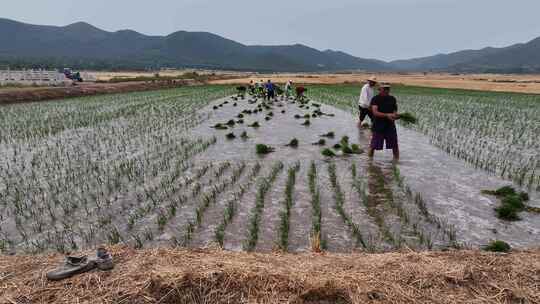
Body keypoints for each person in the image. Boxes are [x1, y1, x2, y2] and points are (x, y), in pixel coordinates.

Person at [368, 83, 399, 161]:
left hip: (390, 126)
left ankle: (396, 163)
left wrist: (395, 116)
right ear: (379, 89)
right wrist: (387, 115)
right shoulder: (375, 99)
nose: (386, 90)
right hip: (378, 125)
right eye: (384, 89)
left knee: (395, 146)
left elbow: (395, 111)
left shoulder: (392, 98)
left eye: (388, 89)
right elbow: (375, 112)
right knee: (373, 146)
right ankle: (369, 162)